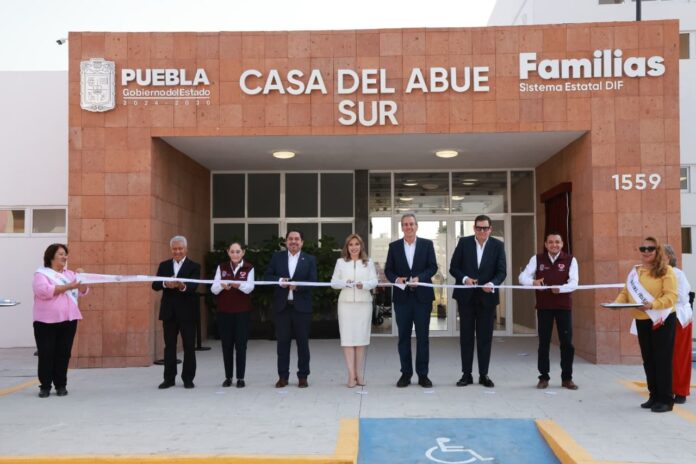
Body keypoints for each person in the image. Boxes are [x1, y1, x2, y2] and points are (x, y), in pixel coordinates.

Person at [613, 237, 677, 413]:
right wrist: (617, 304)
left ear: (657, 251)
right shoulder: (636, 271)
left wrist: (652, 305)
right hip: (642, 320)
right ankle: (654, 395)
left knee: (662, 360)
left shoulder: (666, 270)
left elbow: (671, 296)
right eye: (643, 248)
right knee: (648, 359)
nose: (646, 251)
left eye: (650, 248)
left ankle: (666, 399)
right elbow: (626, 292)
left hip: (661, 319)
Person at [449, 214, 506, 388]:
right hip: (466, 298)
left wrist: (492, 284)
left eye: (485, 228)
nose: (482, 231)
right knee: (466, 337)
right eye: (479, 228)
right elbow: (454, 267)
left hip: (487, 298)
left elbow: (502, 271)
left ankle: (483, 374)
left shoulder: (497, 245)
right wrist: (465, 278)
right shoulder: (464, 243)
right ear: (474, 228)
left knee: (485, 338)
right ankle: (466, 375)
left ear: (490, 229)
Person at [519, 232, 579, 390]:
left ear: (562, 244)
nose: (554, 245)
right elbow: (522, 278)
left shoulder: (570, 260)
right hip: (544, 307)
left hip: (563, 307)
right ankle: (543, 377)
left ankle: (567, 378)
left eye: (557, 242)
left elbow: (574, 283)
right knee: (543, 343)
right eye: (551, 242)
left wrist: (561, 289)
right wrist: (533, 282)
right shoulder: (537, 259)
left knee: (567, 343)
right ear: (546, 244)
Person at [384, 213, 438, 388]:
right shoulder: (394, 247)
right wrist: (396, 279)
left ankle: (423, 375)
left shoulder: (427, 244)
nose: (408, 227)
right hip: (402, 299)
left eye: (411, 224)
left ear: (416, 226)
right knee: (403, 338)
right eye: (405, 224)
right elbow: (388, 270)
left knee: (423, 338)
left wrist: (419, 278)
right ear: (402, 227)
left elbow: (433, 267)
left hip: (422, 298)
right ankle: (405, 374)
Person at [32, 243, 88, 398]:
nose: (64, 257)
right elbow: (43, 291)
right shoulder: (41, 274)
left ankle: (61, 385)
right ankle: (45, 386)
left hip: (69, 320)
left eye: (65, 254)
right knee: (46, 354)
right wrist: (69, 286)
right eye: (61, 254)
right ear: (51, 257)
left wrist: (83, 277)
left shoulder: (70, 274)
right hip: (45, 322)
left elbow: (83, 291)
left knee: (63, 353)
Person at [264, 230, 318, 388]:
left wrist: (298, 286)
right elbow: (267, 277)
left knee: (303, 344)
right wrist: (280, 280)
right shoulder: (277, 257)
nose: (293, 241)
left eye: (296, 239)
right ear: (286, 242)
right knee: (282, 344)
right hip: (282, 308)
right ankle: (283, 377)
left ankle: (303, 376)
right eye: (290, 239)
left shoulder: (310, 259)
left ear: (302, 242)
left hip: (302, 309)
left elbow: (313, 281)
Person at [152, 235, 201, 390]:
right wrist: (166, 283)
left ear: (186, 249)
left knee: (189, 346)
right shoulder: (164, 265)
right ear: (171, 249)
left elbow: (193, 286)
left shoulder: (194, 266)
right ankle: (169, 378)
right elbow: (155, 285)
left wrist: (181, 285)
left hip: (188, 313)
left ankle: (188, 379)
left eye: (180, 248)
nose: (177, 251)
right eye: (175, 249)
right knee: (169, 346)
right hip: (169, 312)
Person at [331, 234, 378, 387]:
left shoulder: (368, 262)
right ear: (347, 247)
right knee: (348, 340)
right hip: (345, 305)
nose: (354, 247)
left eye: (356, 244)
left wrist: (363, 285)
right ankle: (351, 375)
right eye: (350, 244)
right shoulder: (340, 262)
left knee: (361, 340)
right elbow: (334, 283)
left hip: (363, 305)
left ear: (361, 246)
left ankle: (359, 373)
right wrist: (346, 282)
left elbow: (374, 281)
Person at [211, 242, 255, 388]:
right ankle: (228, 377)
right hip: (224, 312)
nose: (235, 254)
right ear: (228, 252)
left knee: (241, 346)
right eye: (232, 251)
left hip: (242, 312)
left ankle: (240, 378)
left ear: (243, 252)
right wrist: (221, 285)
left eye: (238, 251)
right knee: (226, 345)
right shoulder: (222, 267)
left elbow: (250, 288)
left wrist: (238, 284)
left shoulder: (249, 267)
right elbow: (213, 289)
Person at [663, 244, 692, 404]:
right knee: (664, 356)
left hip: (679, 318)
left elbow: (681, 297)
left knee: (679, 356)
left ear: (669, 257)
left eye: (661, 256)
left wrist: (660, 299)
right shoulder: (654, 274)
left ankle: (680, 391)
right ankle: (666, 388)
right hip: (662, 317)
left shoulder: (677, 274)